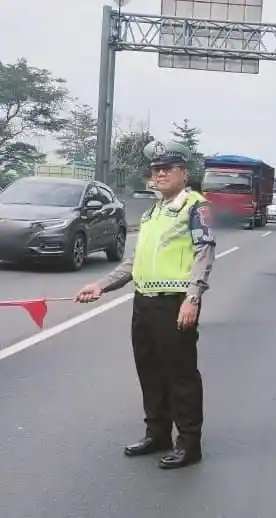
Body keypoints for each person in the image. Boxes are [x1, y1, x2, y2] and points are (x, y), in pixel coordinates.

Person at [74, 140, 216, 470]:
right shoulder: (153, 212)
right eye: (156, 169)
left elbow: (204, 254)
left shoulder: (196, 207)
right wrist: (100, 285)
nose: (161, 174)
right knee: (149, 371)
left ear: (184, 172)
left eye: (168, 168)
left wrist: (192, 298)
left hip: (176, 303)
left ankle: (189, 443)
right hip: (144, 304)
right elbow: (134, 264)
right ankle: (157, 434)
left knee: (180, 375)